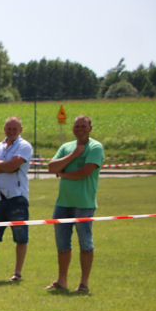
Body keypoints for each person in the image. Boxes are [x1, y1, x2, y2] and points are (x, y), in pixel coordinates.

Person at [46, 115, 103, 294]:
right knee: (62, 243)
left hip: (84, 203)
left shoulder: (95, 147)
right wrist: (74, 155)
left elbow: (85, 172)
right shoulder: (67, 147)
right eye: (76, 126)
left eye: (83, 126)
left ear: (90, 128)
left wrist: (63, 173)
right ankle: (62, 280)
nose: (79, 129)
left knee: (85, 243)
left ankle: (83, 283)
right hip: (63, 203)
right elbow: (51, 167)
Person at [0, 117, 33, 283]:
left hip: (17, 198)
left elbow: (12, 166)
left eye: (15, 129)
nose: (11, 131)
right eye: (9, 128)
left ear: (20, 130)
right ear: (4, 129)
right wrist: (3, 165)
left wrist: (1, 165)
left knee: (21, 237)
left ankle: (17, 273)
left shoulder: (24, 146)